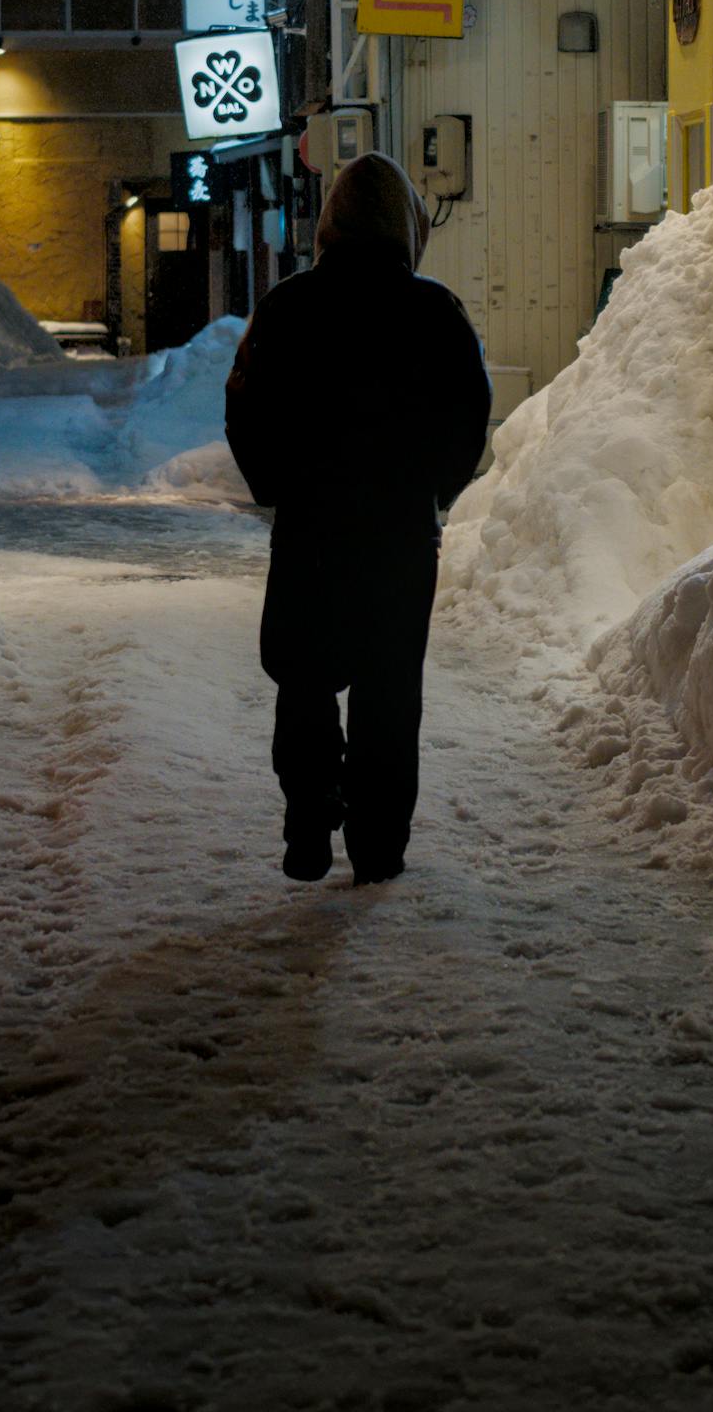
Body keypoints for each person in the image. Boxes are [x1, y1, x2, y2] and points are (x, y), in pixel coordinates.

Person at [222, 151, 490, 884]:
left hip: (310, 526)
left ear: (331, 223)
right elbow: (470, 416)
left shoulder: (287, 306)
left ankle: (307, 821)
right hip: (400, 533)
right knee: (387, 690)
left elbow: (245, 407)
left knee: (303, 678)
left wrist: (275, 484)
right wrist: (432, 488)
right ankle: (378, 846)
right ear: (405, 226)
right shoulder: (435, 312)